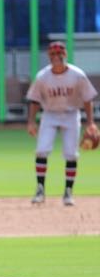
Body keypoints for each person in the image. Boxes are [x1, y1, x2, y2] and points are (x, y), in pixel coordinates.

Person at [26, 41, 98, 206]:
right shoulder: (43, 77)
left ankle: (68, 192)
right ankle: (40, 189)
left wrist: (91, 122)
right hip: (50, 114)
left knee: (71, 154)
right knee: (42, 150)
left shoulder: (77, 75)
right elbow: (35, 100)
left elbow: (88, 99)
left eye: (59, 54)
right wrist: (31, 121)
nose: (56, 57)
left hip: (71, 114)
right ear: (49, 57)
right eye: (53, 54)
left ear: (65, 55)